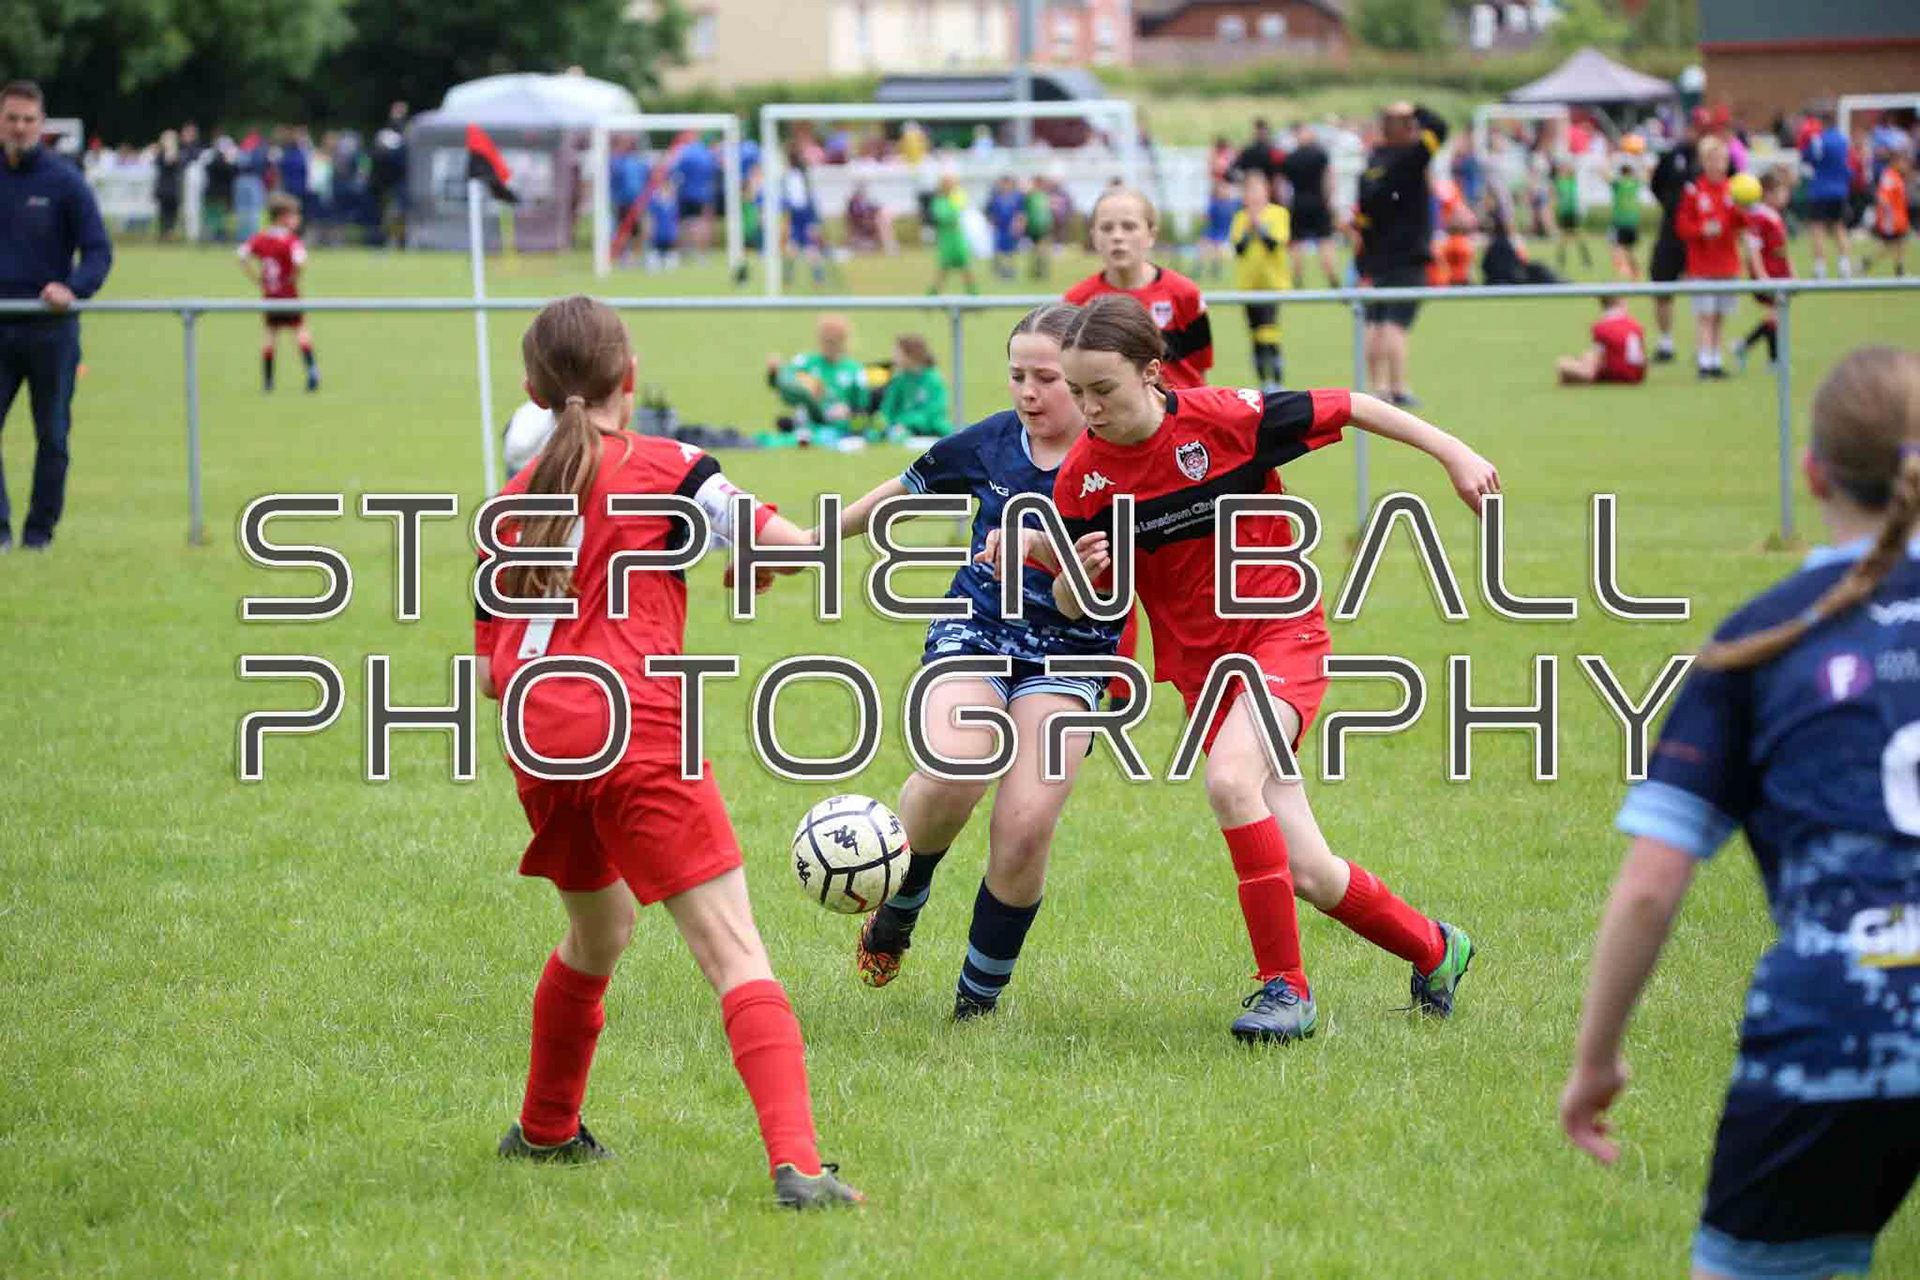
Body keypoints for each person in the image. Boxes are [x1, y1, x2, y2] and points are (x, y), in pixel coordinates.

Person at [475, 295, 862, 1210]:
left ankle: (546, 1128)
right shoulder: (673, 467)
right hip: (639, 727)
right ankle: (799, 1168)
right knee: (734, 949)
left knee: (599, 932)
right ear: (631, 376)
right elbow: (798, 550)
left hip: (540, 736)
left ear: (533, 389)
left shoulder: (510, 502)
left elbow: (493, 672)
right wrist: (798, 545)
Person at [1041, 293, 1496, 1043]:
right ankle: (1436, 948)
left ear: (1152, 372)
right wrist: (1078, 577)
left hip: (1282, 634)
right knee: (1310, 872)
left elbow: (1351, 404)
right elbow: (1072, 601)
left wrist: (1454, 452)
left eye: (1103, 390)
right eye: (1076, 391)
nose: (1087, 409)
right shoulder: (1083, 480)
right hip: (1203, 677)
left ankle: (1284, 989)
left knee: (1230, 782)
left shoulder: (1225, 420)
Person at [1559, 344, 1920, 1280]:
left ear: (1813, 471)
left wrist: (1596, 1061)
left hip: (1842, 1027)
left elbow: (1651, 884)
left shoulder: (1761, 640)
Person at [830, 304, 1125, 1018]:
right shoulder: (993, 441)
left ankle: (975, 1005)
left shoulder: (1120, 462)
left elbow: (1086, 602)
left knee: (1025, 826)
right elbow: (900, 491)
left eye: (1046, 378)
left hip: (1074, 653)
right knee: (952, 772)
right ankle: (902, 900)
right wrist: (809, 543)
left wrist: (1042, 552)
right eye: (1018, 375)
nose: (1028, 392)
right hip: (977, 629)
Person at [0, 80, 112, 554]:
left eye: (28, 120)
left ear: (41, 124)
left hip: (50, 330)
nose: (19, 128)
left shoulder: (65, 182)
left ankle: (38, 534)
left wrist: (74, 287)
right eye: (12, 118)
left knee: (53, 437)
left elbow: (98, 251)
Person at [1065, 186, 1213, 390]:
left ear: (1151, 234)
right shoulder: (1077, 300)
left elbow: (1199, 369)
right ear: (1094, 236)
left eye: (1129, 227)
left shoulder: (1185, 294)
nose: (1117, 236)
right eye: (1106, 228)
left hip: (1178, 407)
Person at [1351, 102, 1447, 409]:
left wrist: (1365, 259)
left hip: (1377, 257)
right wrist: (1416, 109)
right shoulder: (1410, 158)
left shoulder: (1370, 167)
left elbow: (1362, 220)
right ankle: (1398, 387)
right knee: (1396, 323)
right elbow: (1440, 127)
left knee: (1375, 321)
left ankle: (1376, 387)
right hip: (1408, 256)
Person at [1674, 135, 1741, 379]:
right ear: (1703, 162)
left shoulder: (1733, 190)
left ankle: (1715, 359)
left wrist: (1745, 208)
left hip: (1726, 264)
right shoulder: (1694, 191)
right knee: (1705, 314)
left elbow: (1742, 223)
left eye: (1721, 160)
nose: (1717, 165)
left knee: (1720, 315)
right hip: (1702, 266)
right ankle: (1704, 361)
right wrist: (1701, 230)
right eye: (1712, 160)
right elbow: (1681, 226)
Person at [238, 193, 319, 394]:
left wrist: (257, 278)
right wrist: (294, 277)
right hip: (289, 296)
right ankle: (312, 374)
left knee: (270, 335)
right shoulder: (290, 240)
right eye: (294, 215)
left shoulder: (261, 238)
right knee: (300, 331)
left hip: (270, 296)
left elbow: (241, 255)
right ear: (282, 217)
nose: (297, 219)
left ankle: (268, 383)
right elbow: (301, 261)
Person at [1649, 109, 1706, 362]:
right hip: (1671, 232)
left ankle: (1704, 347)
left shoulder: (1713, 159)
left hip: (1701, 236)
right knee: (1662, 285)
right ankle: (1665, 343)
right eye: (1694, 127)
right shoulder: (1672, 156)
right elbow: (1656, 185)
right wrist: (1673, 208)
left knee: (1704, 293)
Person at [1230, 170, 1290, 394]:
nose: (1253, 196)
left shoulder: (1278, 214)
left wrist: (1260, 226)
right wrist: (1249, 228)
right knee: (1255, 334)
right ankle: (1263, 383)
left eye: (1257, 190)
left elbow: (1274, 244)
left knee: (1269, 332)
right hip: (1248, 286)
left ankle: (1276, 381)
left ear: (1267, 191)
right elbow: (1239, 248)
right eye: (1249, 191)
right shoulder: (1240, 218)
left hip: (1271, 285)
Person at [766, 313, 868, 444]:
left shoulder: (855, 370)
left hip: (838, 427)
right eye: (824, 339)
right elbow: (780, 383)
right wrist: (774, 372)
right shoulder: (805, 362)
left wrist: (849, 411)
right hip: (808, 421)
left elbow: (864, 407)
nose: (828, 345)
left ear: (843, 340)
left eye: (832, 340)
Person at [1737, 167, 1792, 374]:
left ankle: (1745, 346)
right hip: (1767, 274)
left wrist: (1790, 270)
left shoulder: (1773, 215)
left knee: (1775, 316)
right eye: (1782, 191)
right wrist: (1761, 275)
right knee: (1775, 316)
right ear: (1768, 194)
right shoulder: (1759, 216)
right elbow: (1753, 246)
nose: (1786, 196)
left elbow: (1781, 249)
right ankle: (1773, 360)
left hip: (1778, 273)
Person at [1278, 122, 1339, 288]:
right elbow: (1329, 179)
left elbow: (1282, 185)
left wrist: (1285, 204)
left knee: (1297, 243)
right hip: (1319, 203)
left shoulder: (1290, 158)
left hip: (1298, 204)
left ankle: (1297, 280)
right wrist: (1328, 200)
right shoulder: (1320, 154)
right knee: (1325, 241)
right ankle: (1333, 279)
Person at [1801, 105, 1853, 279]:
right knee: (1839, 227)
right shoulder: (1843, 140)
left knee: (1817, 229)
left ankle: (1820, 268)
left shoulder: (1818, 140)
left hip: (1820, 190)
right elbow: (1848, 164)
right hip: (1839, 190)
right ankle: (1844, 266)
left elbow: (1807, 158)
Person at [873, 333, 950, 441]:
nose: (894, 358)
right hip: (899, 428)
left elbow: (934, 413)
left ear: (911, 355)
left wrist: (905, 423)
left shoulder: (934, 380)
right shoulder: (898, 380)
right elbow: (887, 409)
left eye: (897, 354)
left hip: (931, 429)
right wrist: (880, 426)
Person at [1554, 296, 1646, 386]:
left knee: (1562, 363)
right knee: (1588, 355)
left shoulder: (1601, 327)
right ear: (1622, 301)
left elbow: (1597, 360)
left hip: (1616, 375)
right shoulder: (1635, 325)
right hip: (1637, 375)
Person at [926, 173, 979, 296]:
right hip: (946, 238)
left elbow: (961, 212)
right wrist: (952, 216)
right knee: (942, 270)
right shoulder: (938, 201)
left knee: (966, 268)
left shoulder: (956, 198)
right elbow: (941, 216)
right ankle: (932, 295)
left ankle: (974, 295)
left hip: (957, 238)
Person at [1867, 142, 1911, 277]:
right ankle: (1866, 262)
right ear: (1895, 162)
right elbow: (1882, 197)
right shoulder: (1889, 176)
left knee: (1900, 243)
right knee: (1889, 245)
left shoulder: (1896, 176)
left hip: (1900, 218)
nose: (1905, 165)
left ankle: (1900, 269)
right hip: (1892, 220)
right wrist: (1885, 213)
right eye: (1903, 162)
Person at [1607, 154, 1644, 281]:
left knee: (1615, 246)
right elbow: (1646, 174)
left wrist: (1611, 160)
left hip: (1620, 221)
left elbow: (1604, 175)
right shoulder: (1635, 183)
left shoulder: (1618, 184)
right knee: (1630, 250)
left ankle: (1621, 272)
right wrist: (1639, 159)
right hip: (1633, 221)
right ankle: (1636, 274)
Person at [1552, 158, 1592, 273]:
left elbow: (1573, 170)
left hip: (1572, 213)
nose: (1563, 170)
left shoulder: (1572, 181)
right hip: (1564, 213)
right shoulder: (1559, 183)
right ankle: (1561, 262)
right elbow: (1555, 198)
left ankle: (1586, 261)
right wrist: (1555, 212)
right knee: (1563, 239)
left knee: (1579, 237)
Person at [985, 176, 1025, 280]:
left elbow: (1021, 213)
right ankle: (1001, 271)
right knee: (999, 250)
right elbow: (989, 211)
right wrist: (992, 222)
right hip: (999, 228)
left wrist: (1019, 225)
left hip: (1011, 228)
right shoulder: (996, 197)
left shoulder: (1017, 197)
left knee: (1011, 251)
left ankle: (1011, 271)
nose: (1006, 186)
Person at [153, 130, 185, 242]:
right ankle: (163, 234)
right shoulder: (160, 153)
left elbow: (178, 166)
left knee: (173, 212)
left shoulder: (178, 153)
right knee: (163, 212)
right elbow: (163, 163)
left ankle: (170, 233)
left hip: (173, 187)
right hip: (163, 186)